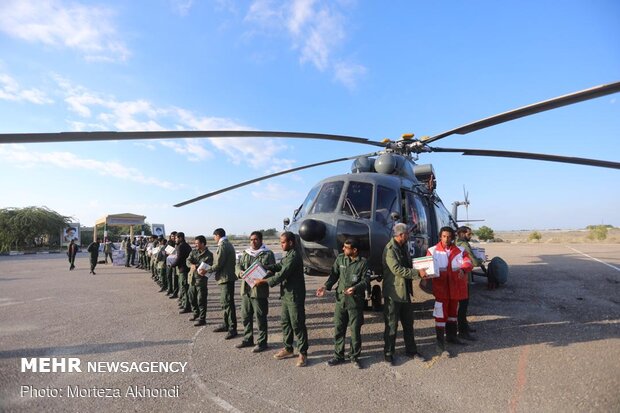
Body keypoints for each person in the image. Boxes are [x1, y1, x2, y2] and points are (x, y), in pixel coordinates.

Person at [255, 231, 309, 368]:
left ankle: (303, 353)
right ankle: (288, 348)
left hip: (294, 296)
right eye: (280, 242)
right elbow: (280, 266)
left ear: (291, 242)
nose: (281, 245)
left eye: (283, 242)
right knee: (285, 322)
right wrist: (266, 267)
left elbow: (282, 274)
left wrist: (263, 281)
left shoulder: (295, 256)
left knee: (297, 324)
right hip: (286, 295)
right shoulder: (288, 255)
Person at [316, 238, 369, 369]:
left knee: (355, 331)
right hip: (341, 300)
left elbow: (366, 280)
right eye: (343, 247)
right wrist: (325, 286)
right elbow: (334, 274)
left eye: (346, 247)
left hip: (355, 301)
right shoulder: (340, 259)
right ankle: (338, 356)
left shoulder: (363, 263)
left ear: (355, 250)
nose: (343, 249)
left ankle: (354, 357)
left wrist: (355, 288)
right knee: (339, 329)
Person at [382, 223, 427, 365]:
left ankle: (411, 351)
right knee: (391, 325)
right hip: (393, 293)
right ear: (401, 235)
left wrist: (422, 268)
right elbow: (397, 270)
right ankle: (388, 354)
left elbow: (408, 265)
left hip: (405, 292)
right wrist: (417, 273)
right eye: (407, 234)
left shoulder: (403, 247)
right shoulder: (390, 249)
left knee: (408, 323)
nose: (409, 236)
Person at [427, 226, 473, 356]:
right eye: (444, 236)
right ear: (440, 237)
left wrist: (463, 269)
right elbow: (425, 267)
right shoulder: (432, 251)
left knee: (453, 313)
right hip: (440, 290)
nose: (446, 239)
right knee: (440, 316)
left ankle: (452, 337)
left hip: (454, 289)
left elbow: (468, 262)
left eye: (449, 236)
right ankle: (440, 345)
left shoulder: (460, 250)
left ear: (452, 237)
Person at [236, 231, 276, 352]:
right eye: (251, 240)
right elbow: (238, 266)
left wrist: (264, 275)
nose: (253, 242)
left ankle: (262, 342)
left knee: (260, 317)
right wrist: (240, 272)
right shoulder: (246, 253)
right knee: (245, 316)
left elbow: (273, 270)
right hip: (246, 290)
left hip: (259, 291)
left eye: (256, 240)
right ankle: (248, 339)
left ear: (261, 240)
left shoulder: (268, 254)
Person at [207, 228, 238, 339]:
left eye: (214, 236)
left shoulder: (223, 246)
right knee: (225, 303)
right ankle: (227, 324)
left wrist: (207, 270)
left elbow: (219, 264)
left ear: (218, 235)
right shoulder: (227, 244)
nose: (214, 238)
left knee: (228, 304)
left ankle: (232, 328)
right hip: (225, 278)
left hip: (226, 278)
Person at [456, 226, 482, 340]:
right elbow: (474, 262)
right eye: (468, 234)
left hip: (460, 278)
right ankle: (462, 330)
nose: (470, 236)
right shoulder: (464, 245)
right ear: (462, 234)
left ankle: (464, 326)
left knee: (462, 305)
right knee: (463, 305)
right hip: (462, 279)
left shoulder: (457, 243)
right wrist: (482, 260)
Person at [187, 235, 213, 326]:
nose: (195, 245)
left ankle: (202, 318)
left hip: (201, 280)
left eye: (197, 243)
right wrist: (191, 265)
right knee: (191, 298)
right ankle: (195, 313)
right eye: (195, 243)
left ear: (203, 243)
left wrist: (196, 266)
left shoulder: (209, 255)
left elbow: (208, 266)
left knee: (201, 300)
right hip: (192, 279)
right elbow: (188, 260)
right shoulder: (193, 252)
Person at [169, 232, 192, 314]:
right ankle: (183, 303)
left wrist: (172, 265)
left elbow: (179, 259)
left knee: (184, 288)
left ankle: (187, 306)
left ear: (181, 238)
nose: (175, 240)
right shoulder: (186, 245)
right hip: (185, 269)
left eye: (176, 238)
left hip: (183, 269)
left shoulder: (181, 246)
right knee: (183, 287)